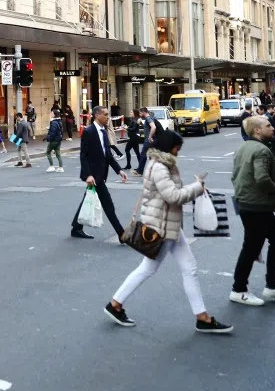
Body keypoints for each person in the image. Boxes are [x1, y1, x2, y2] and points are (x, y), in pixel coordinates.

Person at [104, 130, 233, 334]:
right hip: (162, 228)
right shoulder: (160, 167)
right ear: (168, 147)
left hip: (169, 224)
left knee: (188, 267)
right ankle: (115, 304)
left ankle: (202, 317)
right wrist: (197, 188)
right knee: (149, 268)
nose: (178, 151)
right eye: (177, 147)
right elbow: (172, 196)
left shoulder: (161, 163)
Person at [229, 116, 275, 306]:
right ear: (257, 130)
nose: (272, 128)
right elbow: (262, 178)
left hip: (246, 202)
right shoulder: (261, 151)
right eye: (268, 126)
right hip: (256, 204)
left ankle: (272, 287)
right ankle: (239, 289)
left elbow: (235, 175)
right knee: (253, 247)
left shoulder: (243, 147)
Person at [70, 105, 127, 240]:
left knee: (87, 200)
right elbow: (83, 156)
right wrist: (88, 175)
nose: (108, 117)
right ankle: (121, 234)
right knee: (108, 205)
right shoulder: (89, 132)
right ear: (97, 115)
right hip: (94, 176)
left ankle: (76, 228)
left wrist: (119, 170)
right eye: (105, 114)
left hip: (100, 174)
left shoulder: (103, 131)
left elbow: (107, 155)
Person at [134, 106, 157, 176]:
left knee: (143, 155)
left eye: (140, 113)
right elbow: (148, 127)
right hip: (152, 139)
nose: (139, 115)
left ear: (143, 112)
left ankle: (140, 171)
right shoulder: (150, 117)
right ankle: (153, 170)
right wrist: (141, 124)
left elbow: (153, 127)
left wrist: (149, 137)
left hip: (149, 140)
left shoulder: (148, 118)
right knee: (151, 156)